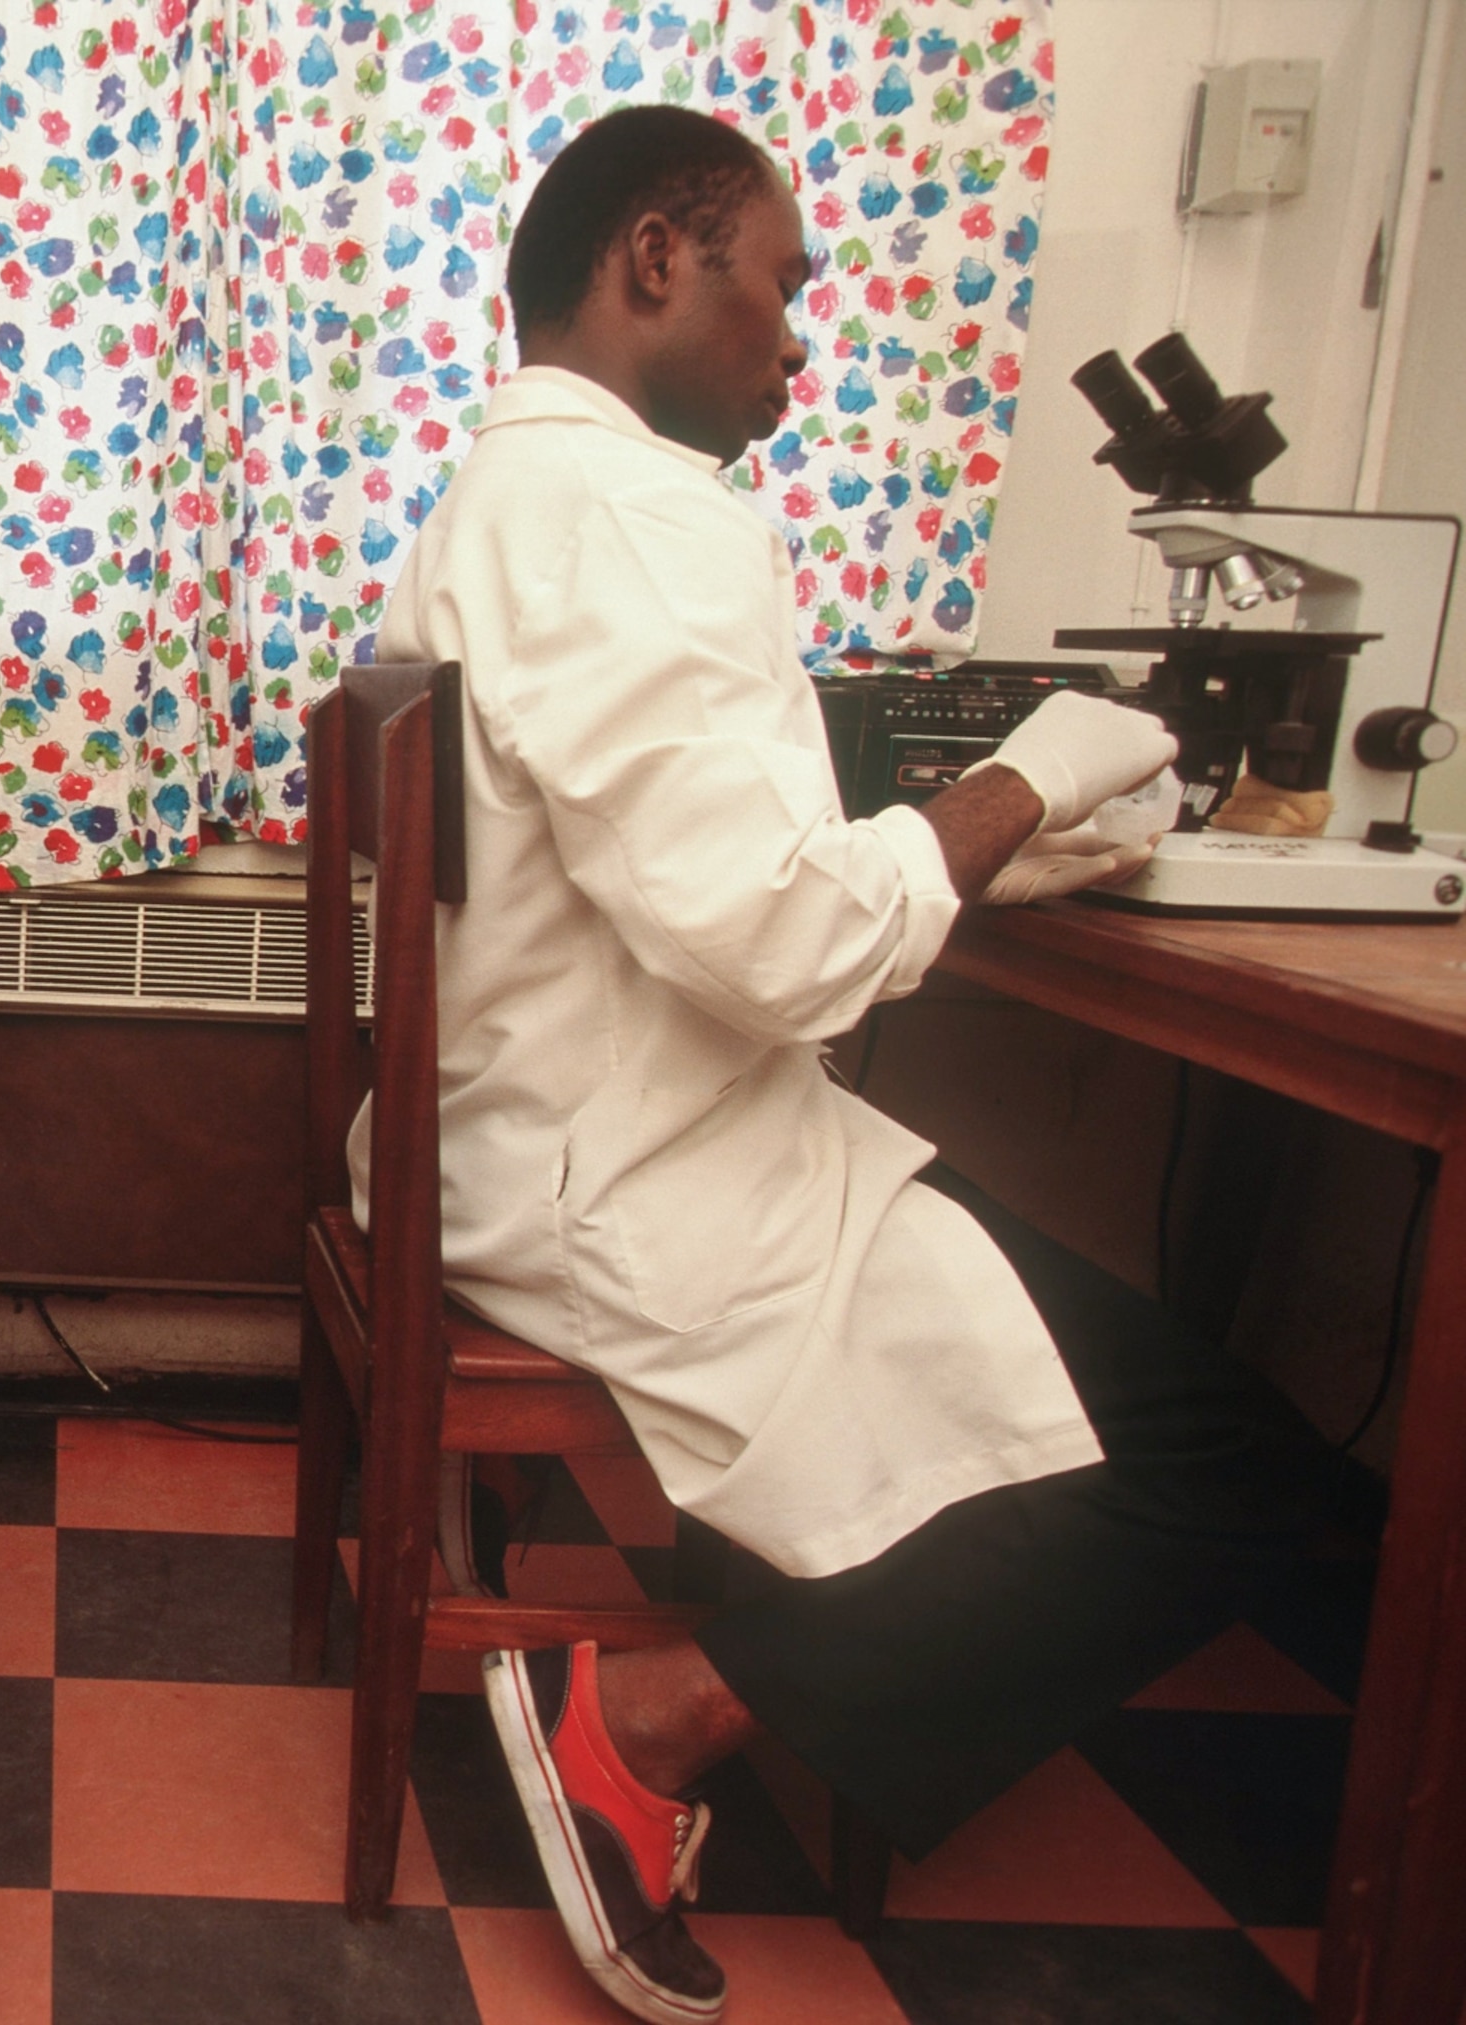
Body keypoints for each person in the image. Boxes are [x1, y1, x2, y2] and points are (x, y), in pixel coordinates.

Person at [365, 106, 1312, 2024]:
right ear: (657, 256)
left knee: (1075, 1364)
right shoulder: (638, 515)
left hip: (506, 1137)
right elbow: (789, 948)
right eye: (781, 287)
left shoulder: (496, 508)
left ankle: (766, 1635)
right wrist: (1035, 765)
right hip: (632, 1176)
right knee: (1229, 1466)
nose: (805, 342)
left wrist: (1006, 830)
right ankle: (650, 1715)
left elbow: (708, 864)